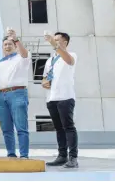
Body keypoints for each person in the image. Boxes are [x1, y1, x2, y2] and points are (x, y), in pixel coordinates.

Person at [0, 29, 30, 159]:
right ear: (2, 47)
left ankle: (24, 155)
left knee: (21, 127)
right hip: (0, 96)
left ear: (15, 46)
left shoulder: (22, 57)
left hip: (17, 93)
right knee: (6, 129)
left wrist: (16, 38)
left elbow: (24, 54)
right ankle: (11, 154)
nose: (7, 46)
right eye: (5, 45)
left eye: (10, 44)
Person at [42, 32, 78, 168]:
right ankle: (62, 156)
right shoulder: (49, 60)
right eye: (53, 40)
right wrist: (44, 82)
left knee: (68, 127)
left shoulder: (71, 55)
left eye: (57, 40)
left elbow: (69, 60)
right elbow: (45, 77)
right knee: (58, 128)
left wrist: (53, 44)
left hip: (65, 96)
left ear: (65, 43)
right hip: (51, 98)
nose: (54, 42)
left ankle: (73, 157)